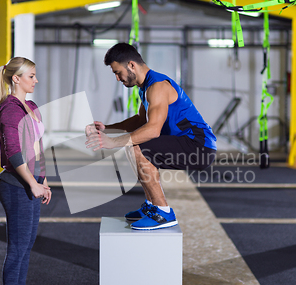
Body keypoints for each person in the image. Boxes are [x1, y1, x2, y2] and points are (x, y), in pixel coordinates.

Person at [85, 43, 217, 230]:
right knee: (135, 145)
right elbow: (141, 120)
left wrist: (112, 142)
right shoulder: (145, 87)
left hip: (199, 145)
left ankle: (163, 212)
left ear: (131, 65)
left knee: (138, 146)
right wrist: (107, 129)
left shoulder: (157, 86)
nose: (117, 78)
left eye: (117, 72)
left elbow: (153, 130)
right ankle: (153, 207)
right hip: (188, 142)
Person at [0, 57, 52, 285]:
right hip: (16, 187)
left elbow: (37, 147)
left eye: (35, 75)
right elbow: (14, 154)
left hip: (30, 183)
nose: (35, 80)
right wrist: (32, 183)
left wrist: (43, 179)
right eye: (31, 76)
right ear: (16, 79)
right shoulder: (10, 110)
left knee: (26, 244)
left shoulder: (31, 107)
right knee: (17, 248)